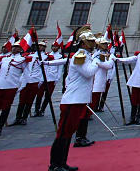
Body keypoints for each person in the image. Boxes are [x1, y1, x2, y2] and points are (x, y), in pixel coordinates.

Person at [45, 26, 111, 171]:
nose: (94, 44)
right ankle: (55, 164)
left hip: (79, 99)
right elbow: (88, 73)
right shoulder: (79, 57)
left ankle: (62, 162)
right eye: (90, 41)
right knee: (63, 132)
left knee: (69, 131)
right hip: (72, 100)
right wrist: (96, 61)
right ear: (82, 43)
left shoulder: (86, 56)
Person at [0, 43, 32, 137]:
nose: (14, 48)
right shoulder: (4, 58)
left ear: (21, 49)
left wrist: (20, 87)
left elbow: (26, 76)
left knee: (5, 108)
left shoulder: (23, 60)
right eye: (13, 47)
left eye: (17, 47)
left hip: (11, 87)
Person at [13, 40, 49, 126]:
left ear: (44, 48)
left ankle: (24, 117)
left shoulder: (45, 57)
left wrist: (41, 80)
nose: (39, 47)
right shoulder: (30, 55)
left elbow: (45, 70)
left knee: (29, 99)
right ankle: (18, 117)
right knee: (22, 99)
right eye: (38, 45)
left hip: (35, 80)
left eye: (41, 46)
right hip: (26, 80)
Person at [35, 41, 63, 117]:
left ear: (58, 48)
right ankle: (36, 109)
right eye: (53, 46)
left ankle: (42, 109)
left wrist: (57, 78)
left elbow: (59, 68)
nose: (54, 48)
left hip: (52, 78)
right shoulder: (47, 55)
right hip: (44, 77)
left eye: (56, 47)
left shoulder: (60, 56)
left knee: (48, 95)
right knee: (39, 94)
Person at [90, 36, 114, 117]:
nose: (107, 46)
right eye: (104, 44)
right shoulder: (98, 55)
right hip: (97, 80)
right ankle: (86, 115)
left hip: (99, 79)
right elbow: (108, 65)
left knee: (94, 98)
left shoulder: (102, 54)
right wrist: (112, 58)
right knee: (93, 99)